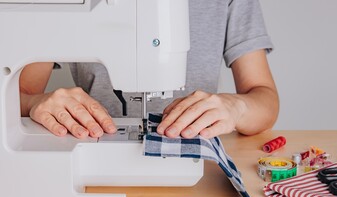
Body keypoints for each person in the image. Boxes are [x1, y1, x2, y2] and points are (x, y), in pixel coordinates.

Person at [20, 0, 279, 140]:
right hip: (89, 141)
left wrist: (236, 108)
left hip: (202, 171)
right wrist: (36, 101)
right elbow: (20, 94)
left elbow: (265, 100)